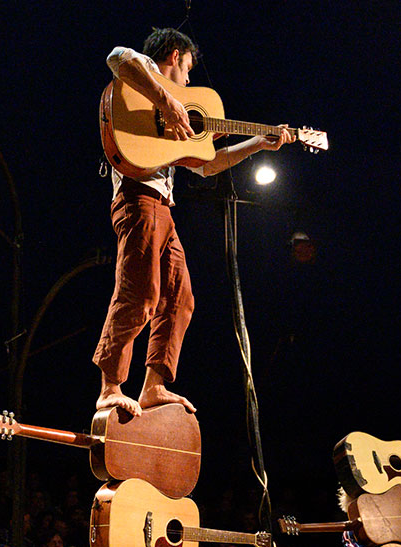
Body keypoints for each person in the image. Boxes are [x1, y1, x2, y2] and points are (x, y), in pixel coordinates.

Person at [94, 28, 293, 415]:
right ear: (174, 55)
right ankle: (110, 386)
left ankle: (154, 386)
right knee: (141, 292)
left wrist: (259, 143)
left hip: (162, 208)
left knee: (180, 298)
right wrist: (166, 100)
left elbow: (208, 166)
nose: (188, 81)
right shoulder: (145, 71)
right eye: (187, 69)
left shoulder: (177, 119)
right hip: (138, 198)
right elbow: (117, 56)